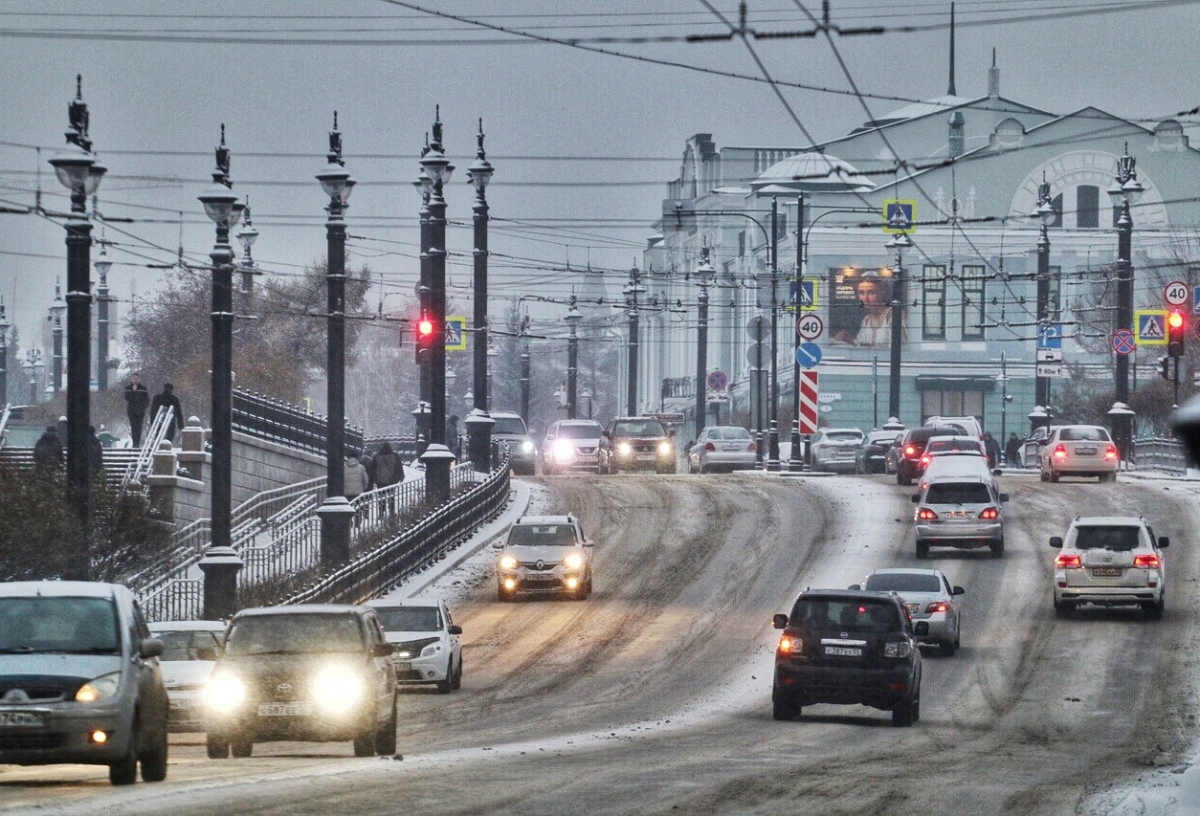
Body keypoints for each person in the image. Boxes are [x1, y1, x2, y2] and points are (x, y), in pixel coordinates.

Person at [124, 372, 150, 446]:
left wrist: (144, 406)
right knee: (133, 426)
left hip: (141, 411)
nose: (135, 380)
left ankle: (137, 443)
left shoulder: (143, 388)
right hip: (131, 411)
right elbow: (127, 398)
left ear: (139, 379)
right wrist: (133, 391)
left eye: (136, 379)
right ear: (131, 379)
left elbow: (146, 399)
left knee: (139, 427)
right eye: (133, 378)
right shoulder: (128, 388)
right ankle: (135, 443)